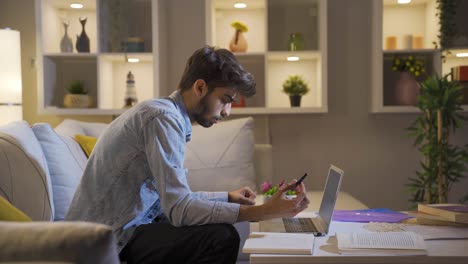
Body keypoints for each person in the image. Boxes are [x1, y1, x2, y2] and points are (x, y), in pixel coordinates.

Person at [66, 46, 310, 264]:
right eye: (225, 100)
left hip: (128, 228)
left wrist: (227, 197)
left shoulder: (165, 115)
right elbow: (180, 210)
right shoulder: (162, 119)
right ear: (200, 87)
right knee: (220, 237)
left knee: (218, 230)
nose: (227, 112)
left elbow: (171, 200)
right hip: (105, 240)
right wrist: (262, 212)